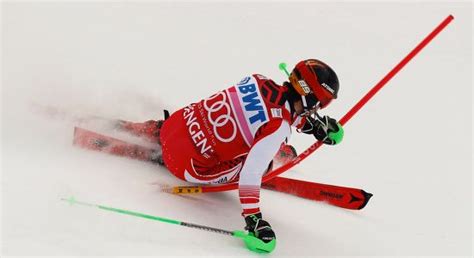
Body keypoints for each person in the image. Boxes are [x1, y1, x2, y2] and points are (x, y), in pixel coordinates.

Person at [122, 59, 344, 245]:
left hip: (173, 127)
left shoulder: (258, 80)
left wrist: (313, 127)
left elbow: (271, 109)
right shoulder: (278, 128)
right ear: (308, 95)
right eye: (322, 102)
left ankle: (153, 129)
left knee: (249, 127)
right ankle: (266, 150)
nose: (320, 108)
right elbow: (250, 174)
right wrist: (254, 221)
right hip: (186, 165)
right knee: (263, 166)